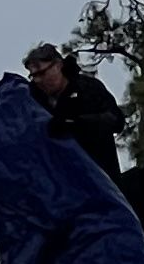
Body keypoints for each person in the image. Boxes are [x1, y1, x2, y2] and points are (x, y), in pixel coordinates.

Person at [25, 42, 127, 184]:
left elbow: (116, 121)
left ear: (58, 65)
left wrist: (77, 123)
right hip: (56, 183)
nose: (38, 80)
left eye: (42, 73)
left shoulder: (88, 88)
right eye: (33, 76)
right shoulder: (32, 101)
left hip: (99, 178)